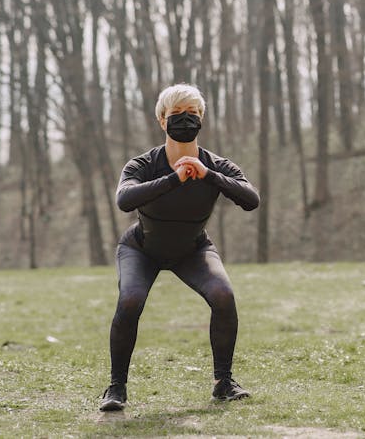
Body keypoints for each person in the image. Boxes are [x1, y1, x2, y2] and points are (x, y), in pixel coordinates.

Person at [99, 84, 260, 411]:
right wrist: (175, 178)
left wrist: (208, 175)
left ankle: (224, 383)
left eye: (193, 115)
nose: (185, 121)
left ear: (202, 119)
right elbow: (124, 199)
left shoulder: (216, 165)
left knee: (224, 296)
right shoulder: (142, 164)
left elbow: (250, 199)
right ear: (162, 120)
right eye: (176, 115)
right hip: (142, 248)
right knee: (130, 300)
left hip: (193, 249)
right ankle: (116, 388)